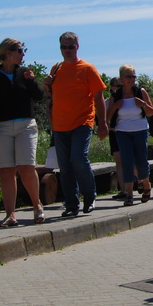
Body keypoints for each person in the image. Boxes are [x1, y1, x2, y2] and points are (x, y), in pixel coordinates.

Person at [44, 32, 108, 217]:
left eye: (71, 46)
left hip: (82, 122)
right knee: (65, 167)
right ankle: (71, 204)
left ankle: (89, 196)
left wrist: (102, 123)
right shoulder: (56, 68)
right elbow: (52, 96)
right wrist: (46, 85)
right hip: (60, 124)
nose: (67, 50)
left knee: (78, 159)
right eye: (64, 47)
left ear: (77, 47)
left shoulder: (87, 68)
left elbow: (99, 97)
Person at [0, 38, 46, 227]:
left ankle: (37, 206)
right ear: (8, 53)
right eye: (20, 50)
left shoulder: (24, 73)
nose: (23, 54)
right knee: (6, 171)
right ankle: (10, 214)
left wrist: (32, 80)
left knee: (26, 167)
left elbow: (39, 96)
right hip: (1, 127)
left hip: (25, 125)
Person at [106, 65, 153, 206]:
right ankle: (129, 194)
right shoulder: (116, 96)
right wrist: (115, 106)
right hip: (122, 131)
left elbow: (151, 112)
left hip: (140, 129)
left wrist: (143, 104)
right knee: (127, 162)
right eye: (128, 76)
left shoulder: (140, 92)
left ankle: (146, 185)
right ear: (121, 78)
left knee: (141, 161)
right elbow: (108, 117)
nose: (132, 79)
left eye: (134, 76)